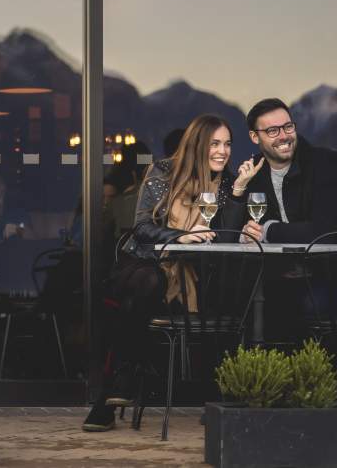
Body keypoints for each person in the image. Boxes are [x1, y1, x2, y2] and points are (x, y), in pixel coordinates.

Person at [82, 113, 262, 432]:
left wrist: (238, 191)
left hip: (192, 276)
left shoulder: (226, 185)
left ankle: (116, 389)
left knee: (205, 303)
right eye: (214, 144)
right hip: (146, 263)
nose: (223, 151)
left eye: (227, 144)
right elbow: (142, 227)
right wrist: (178, 236)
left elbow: (227, 239)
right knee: (148, 283)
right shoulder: (163, 171)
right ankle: (124, 377)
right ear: (196, 145)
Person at [240, 98, 337, 245]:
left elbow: (325, 232)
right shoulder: (254, 171)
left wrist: (267, 230)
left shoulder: (326, 163)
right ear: (255, 137)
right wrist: (246, 234)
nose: (284, 136)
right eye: (272, 131)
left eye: (288, 127)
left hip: (328, 265)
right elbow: (240, 229)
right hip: (273, 266)